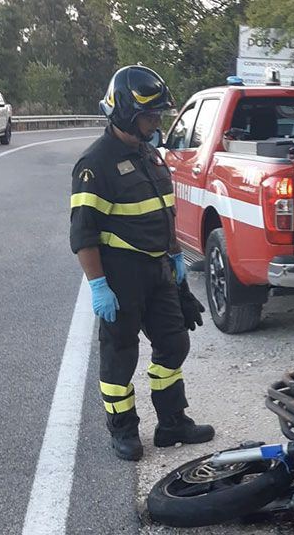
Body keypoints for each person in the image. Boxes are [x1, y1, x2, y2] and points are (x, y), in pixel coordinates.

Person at [70, 65, 213, 461]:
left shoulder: (149, 154)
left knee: (174, 343)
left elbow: (164, 211)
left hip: (159, 270)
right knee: (120, 356)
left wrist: (175, 259)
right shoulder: (94, 164)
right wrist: (98, 284)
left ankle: (172, 423)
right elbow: (83, 234)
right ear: (126, 113)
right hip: (120, 274)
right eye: (151, 115)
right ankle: (124, 430)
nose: (157, 122)